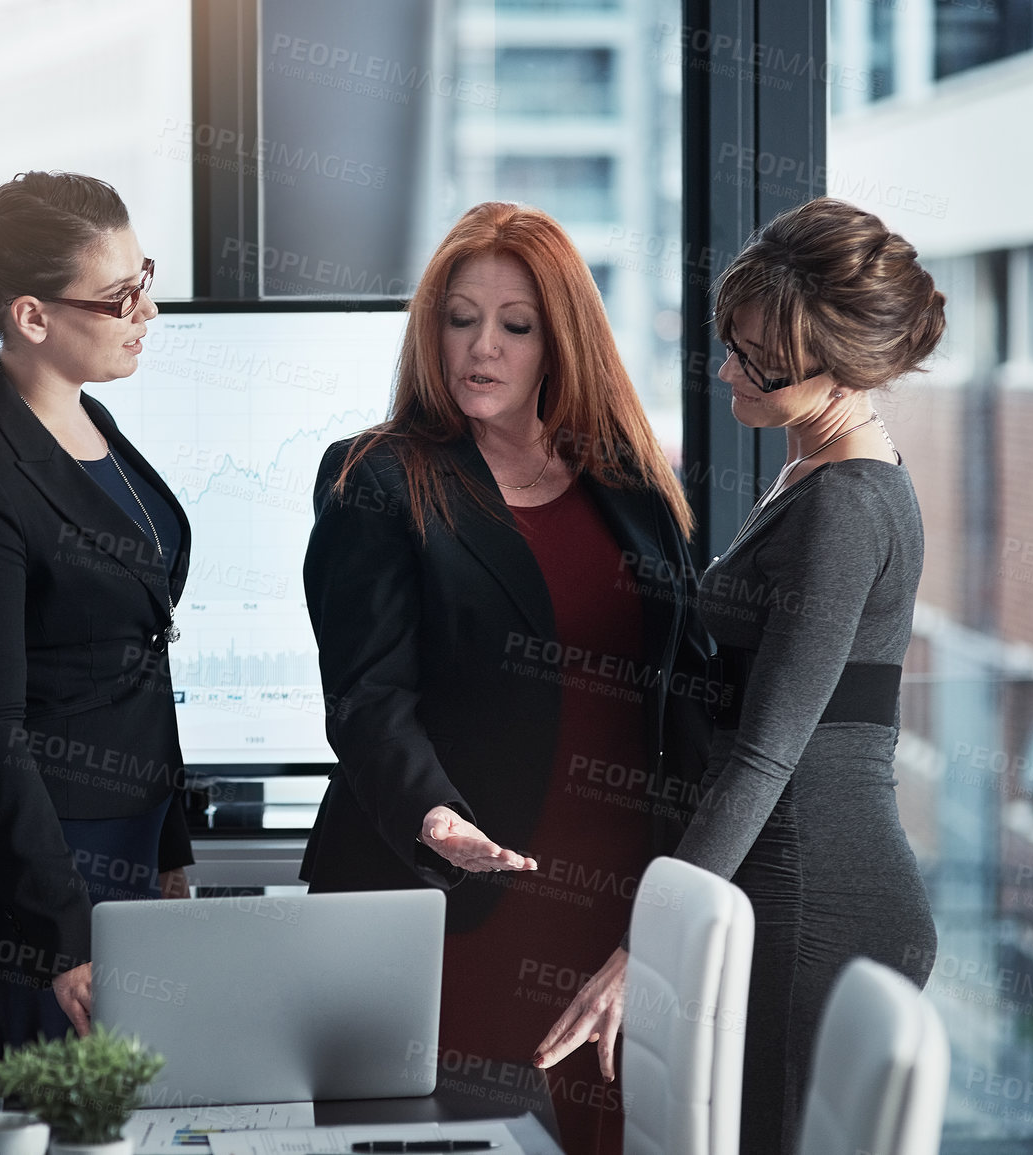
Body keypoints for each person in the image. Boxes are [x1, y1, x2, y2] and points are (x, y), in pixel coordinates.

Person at [534, 197, 944, 1155]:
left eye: (756, 356)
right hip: (784, 883)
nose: (727, 367)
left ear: (839, 364)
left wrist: (645, 945)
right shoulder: (813, 466)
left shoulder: (845, 505)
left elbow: (766, 750)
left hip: (817, 898)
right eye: (731, 339)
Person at [300, 201, 711, 1154]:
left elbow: (685, 697)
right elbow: (366, 695)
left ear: (558, 339)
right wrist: (433, 817)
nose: (480, 347)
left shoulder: (635, 487)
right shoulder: (379, 477)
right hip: (451, 896)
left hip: (614, 910)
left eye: (514, 326)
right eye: (459, 318)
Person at [0, 171, 195, 1067]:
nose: (147, 312)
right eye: (119, 297)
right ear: (31, 317)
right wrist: (61, 933)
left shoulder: (88, 420)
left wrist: (169, 839)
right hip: (22, 885)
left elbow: (140, 646)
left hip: (125, 844)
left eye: (143, 277)